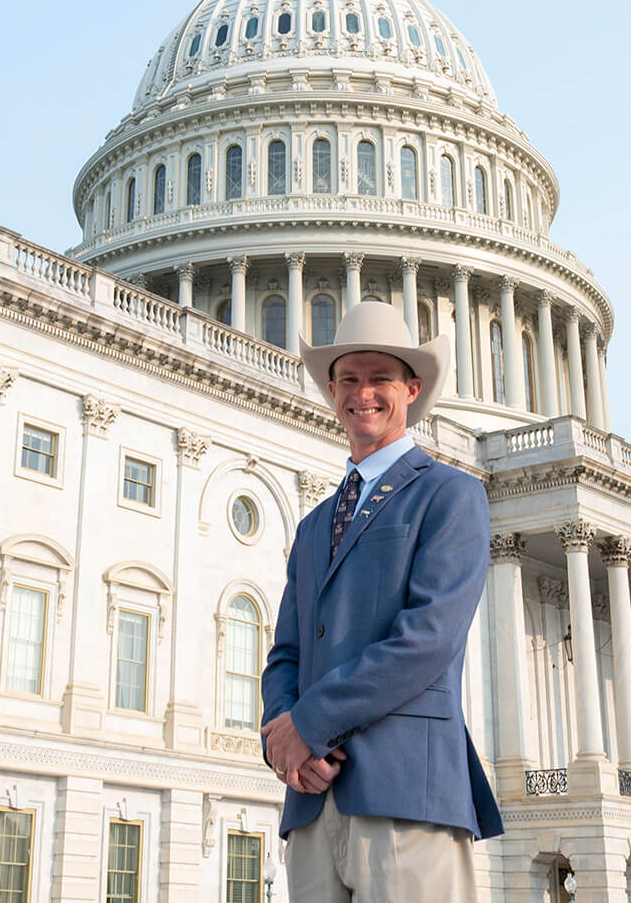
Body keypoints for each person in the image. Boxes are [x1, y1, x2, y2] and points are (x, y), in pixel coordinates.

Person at [261, 300, 503, 901]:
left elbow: (428, 640)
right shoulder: (315, 524)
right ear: (332, 391)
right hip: (313, 801)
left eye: (379, 378)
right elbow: (285, 653)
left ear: (411, 390)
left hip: (405, 790)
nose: (361, 392)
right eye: (348, 378)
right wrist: (282, 744)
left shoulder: (451, 495)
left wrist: (310, 726)